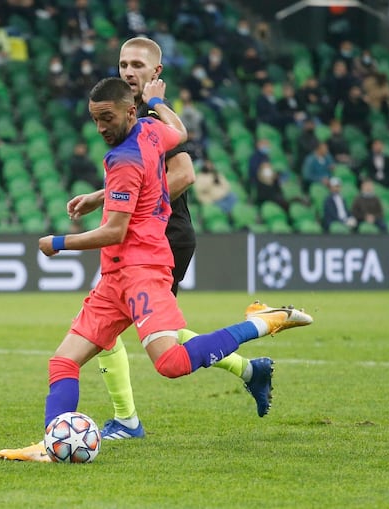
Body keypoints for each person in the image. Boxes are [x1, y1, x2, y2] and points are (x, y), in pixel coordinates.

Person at [0, 77, 312, 462]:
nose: (100, 128)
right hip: (115, 277)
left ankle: (265, 321)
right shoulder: (150, 129)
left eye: (107, 118)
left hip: (144, 270)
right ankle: (52, 444)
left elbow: (115, 230)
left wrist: (57, 243)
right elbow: (178, 131)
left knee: (171, 363)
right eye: (95, 119)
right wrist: (159, 102)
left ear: (129, 111)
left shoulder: (123, 159)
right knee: (63, 360)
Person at [92, 37, 274, 442]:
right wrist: (102, 197)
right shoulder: (128, 115)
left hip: (162, 238)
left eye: (138, 64)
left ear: (157, 73)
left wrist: (128, 210)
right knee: (153, 331)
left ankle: (126, 421)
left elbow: (183, 175)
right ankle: (249, 369)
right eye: (123, 63)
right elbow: (136, 179)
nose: (128, 71)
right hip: (143, 240)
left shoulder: (159, 119)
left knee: (109, 330)